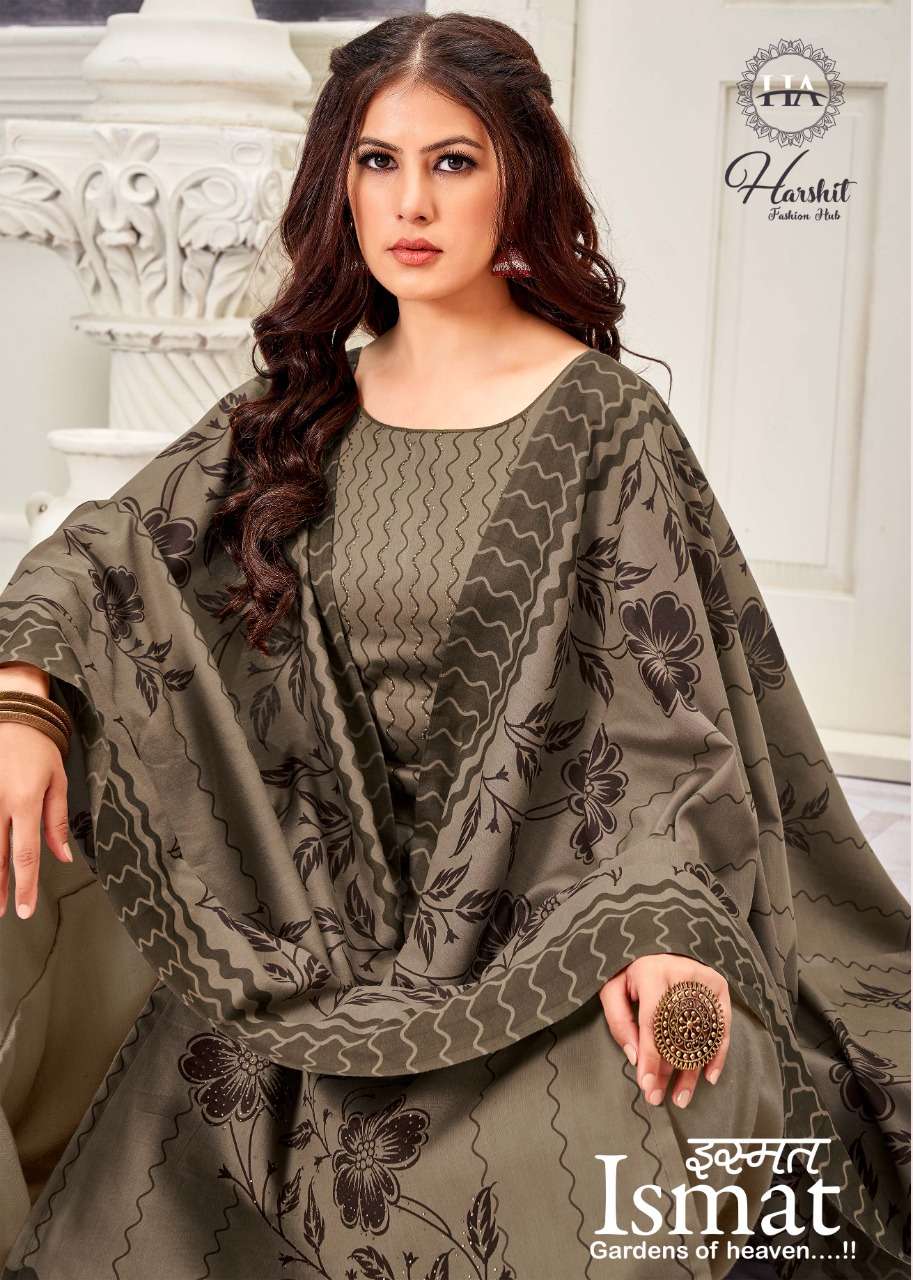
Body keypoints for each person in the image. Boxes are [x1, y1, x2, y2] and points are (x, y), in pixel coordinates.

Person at [0, 13, 908, 1280]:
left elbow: (663, 721)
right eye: (378, 161)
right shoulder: (295, 413)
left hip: (553, 925)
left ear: (516, 178)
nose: (410, 203)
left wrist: (666, 927)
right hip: (310, 927)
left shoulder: (602, 424)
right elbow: (109, 556)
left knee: (675, 1088)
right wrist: (27, 701)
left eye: (453, 161)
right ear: (340, 182)